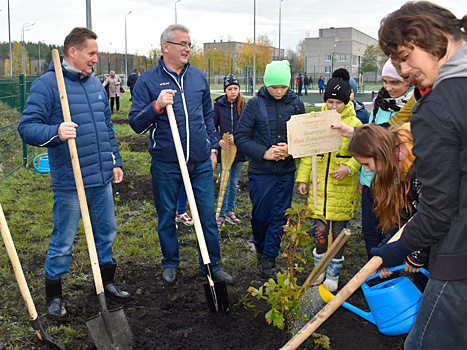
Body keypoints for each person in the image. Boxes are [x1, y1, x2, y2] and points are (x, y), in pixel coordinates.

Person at [18, 27, 129, 321]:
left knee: (107, 232)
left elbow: (107, 128)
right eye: (91, 53)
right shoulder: (48, 86)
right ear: (73, 52)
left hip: (101, 177)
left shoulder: (95, 86)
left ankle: (106, 282)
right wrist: (55, 132)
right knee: (63, 240)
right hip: (70, 181)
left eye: (96, 53)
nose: (95, 59)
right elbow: (27, 127)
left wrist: (115, 161)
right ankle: (54, 296)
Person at [372, 3, 467, 348]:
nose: (404, 69)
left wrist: (394, 250)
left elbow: (439, 209)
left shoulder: (439, 106)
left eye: (407, 56)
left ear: (438, 38)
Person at [128, 24, 234, 285]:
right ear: (166, 47)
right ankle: (170, 263)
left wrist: (211, 146)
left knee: (207, 216)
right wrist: (157, 106)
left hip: (199, 162)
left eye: (190, 44)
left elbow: (208, 114)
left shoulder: (197, 76)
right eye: (183, 44)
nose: (188, 48)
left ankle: (212, 265)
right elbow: (136, 123)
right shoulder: (148, 81)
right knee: (166, 217)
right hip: (166, 163)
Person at [235, 60, 305, 280]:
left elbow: (306, 138)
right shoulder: (255, 104)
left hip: (285, 171)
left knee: (280, 216)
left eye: (283, 87)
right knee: (261, 216)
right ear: (267, 84)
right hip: (261, 172)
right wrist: (264, 152)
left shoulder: (296, 105)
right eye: (275, 87)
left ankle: (269, 258)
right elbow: (241, 137)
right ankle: (260, 246)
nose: (279, 91)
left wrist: (291, 148)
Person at [296, 71, 362, 292]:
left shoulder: (354, 124)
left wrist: (349, 168)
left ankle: (333, 274)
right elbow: (309, 153)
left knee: (339, 233)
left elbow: (361, 154)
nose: (333, 107)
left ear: (346, 101)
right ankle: (319, 270)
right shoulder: (316, 122)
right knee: (320, 232)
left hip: (341, 190)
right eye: (330, 102)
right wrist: (303, 179)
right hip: (319, 192)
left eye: (338, 102)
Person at [348, 123, 428, 291]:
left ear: (380, 154)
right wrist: (385, 251)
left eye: (367, 164)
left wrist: (418, 254)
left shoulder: (421, 166)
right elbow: (406, 215)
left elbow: (432, 216)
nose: (367, 170)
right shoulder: (403, 165)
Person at [359, 58, 413, 259]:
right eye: (385, 81)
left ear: (407, 80)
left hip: (396, 180)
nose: (389, 87)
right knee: (370, 229)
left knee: (391, 228)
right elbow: (368, 146)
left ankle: (388, 271)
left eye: (395, 82)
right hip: (370, 181)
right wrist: (362, 179)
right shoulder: (378, 103)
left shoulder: (412, 106)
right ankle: (372, 272)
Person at [213, 74, 246, 230]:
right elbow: (212, 126)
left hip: (238, 150)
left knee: (233, 182)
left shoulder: (244, 105)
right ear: (225, 90)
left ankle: (228, 211)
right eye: (230, 89)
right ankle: (219, 215)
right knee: (224, 180)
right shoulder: (219, 105)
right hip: (225, 149)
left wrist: (238, 138)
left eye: (235, 88)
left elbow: (247, 126)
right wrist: (218, 139)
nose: (233, 92)